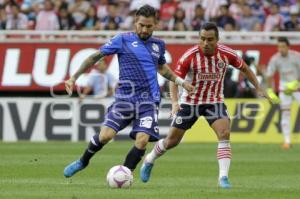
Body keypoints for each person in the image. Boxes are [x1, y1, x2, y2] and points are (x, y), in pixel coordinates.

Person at [63, 4, 194, 178]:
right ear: (135, 23)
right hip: (125, 99)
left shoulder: (159, 45)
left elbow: (162, 68)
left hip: (149, 102)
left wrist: (180, 82)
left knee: (142, 140)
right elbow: (95, 57)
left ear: (155, 25)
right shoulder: (122, 39)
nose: (145, 29)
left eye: (149, 26)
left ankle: (125, 174)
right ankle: (83, 161)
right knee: (105, 136)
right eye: (141, 25)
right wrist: (74, 77)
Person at [140, 22, 271, 188]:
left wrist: (258, 87)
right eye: (202, 39)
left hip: (214, 101)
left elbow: (245, 68)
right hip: (190, 102)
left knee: (224, 133)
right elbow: (173, 80)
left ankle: (223, 178)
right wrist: (174, 103)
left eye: (210, 39)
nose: (205, 43)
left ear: (217, 39)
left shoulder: (227, 54)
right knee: (171, 141)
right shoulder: (189, 56)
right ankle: (150, 159)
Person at [266, 37, 300, 150]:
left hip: (297, 87)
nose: (281, 49)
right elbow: (269, 75)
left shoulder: (296, 56)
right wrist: (270, 91)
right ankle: (287, 141)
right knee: (285, 114)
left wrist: (295, 83)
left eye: (283, 46)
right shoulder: (275, 59)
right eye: (279, 46)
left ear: (288, 47)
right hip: (284, 88)